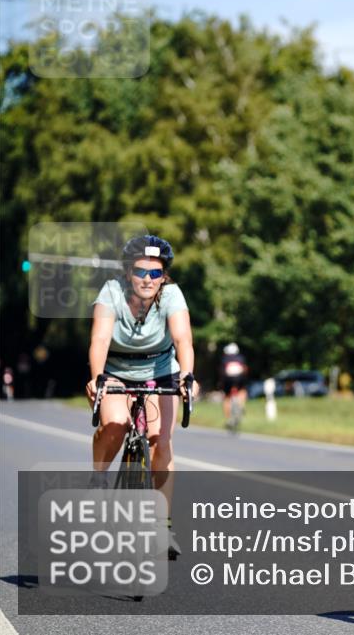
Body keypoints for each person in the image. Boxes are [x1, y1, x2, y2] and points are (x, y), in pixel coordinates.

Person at [85, 235, 199, 560]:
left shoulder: (172, 295)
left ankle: (163, 526)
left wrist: (187, 376)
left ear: (164, 276)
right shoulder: (111, 292)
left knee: (161, 441)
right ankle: (98, 479)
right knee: (115, 425)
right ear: (128, 272)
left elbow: (183, 339)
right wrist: (97, 377)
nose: (147, 279)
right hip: (116, 372)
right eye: (140, 271)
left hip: (160, 372)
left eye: (155, 273)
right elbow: (100, 339)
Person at [219, 342, 249, 429]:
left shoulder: (224, 359)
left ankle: (228, 418)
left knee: (227, 397)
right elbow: (245, 369)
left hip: (227, 379)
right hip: (240, 378)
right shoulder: (241, 358)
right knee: (242, 390)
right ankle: (241, 405)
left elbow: (221, 372)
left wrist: (221, 382)